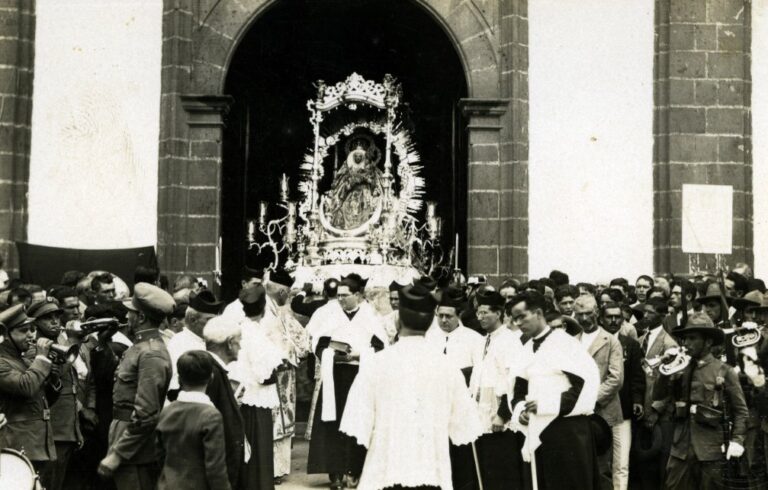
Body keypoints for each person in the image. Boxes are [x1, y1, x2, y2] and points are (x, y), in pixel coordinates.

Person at [339, 284, 483, 490]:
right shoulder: (448, 367)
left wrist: (353, 469)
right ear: (430, 322)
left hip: (385, 473)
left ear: (398, 320)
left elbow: (358, 426)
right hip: (431, 473)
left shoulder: (376, 364)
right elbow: (463, 432)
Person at [506, 291, 601, 490]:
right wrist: (522, 410)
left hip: (567, 433)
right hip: (539, 433)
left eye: (522, 317)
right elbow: (517, 389)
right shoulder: (525, 349)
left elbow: (586, 385)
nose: (518, 323)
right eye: (515, 319)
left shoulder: (566, 344)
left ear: (538, 313)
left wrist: (547, 405)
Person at [306, 273, 389, 489]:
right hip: (336, 377)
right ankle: (335, 471)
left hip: (360, 375)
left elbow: (381, 347)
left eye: (345, 295)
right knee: (333, 423)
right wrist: (331, 353)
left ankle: (355, 469)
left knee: (357, 421)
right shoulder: (332, 316)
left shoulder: (370, 316)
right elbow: (319, 344)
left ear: (358, 295)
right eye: (339, 295)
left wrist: (358, 355)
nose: (340, 299)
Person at [651, 312, 749, 489]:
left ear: (708, 342)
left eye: (692, 338)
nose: (686, 343)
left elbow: (741, 411)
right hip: (681, 447)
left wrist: (737, 440)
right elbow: (657, 396)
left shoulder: (724, 371)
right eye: (685, 338)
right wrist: (664, 371)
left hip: (711, 449)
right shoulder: (680, 367)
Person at [97, 283, 175, 489]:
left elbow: (146, 414)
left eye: (131, 313)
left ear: (141, 318)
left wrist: (118, 454)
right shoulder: (140, 348)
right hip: (127, 442)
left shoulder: (150, 353)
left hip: (136, 451)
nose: (126, 317)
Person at [424, 285, 483, 490]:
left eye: (449, 316)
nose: (444, 320)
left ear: (459, 315)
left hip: (461, 402)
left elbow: (478, 373)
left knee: (460, 451)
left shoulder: (474, 339)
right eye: (440, 316)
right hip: (433, 402)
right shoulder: (428, 338)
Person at [468, 290, 524, 490]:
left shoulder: (509, 341)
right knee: (485, 471)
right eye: (478, 313)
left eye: (484, 313)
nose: (480, 317)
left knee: (502, 472)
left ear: (498, 313)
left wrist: (502, 414)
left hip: (500, 417)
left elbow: (513, 380)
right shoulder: (483, 340)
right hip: (482, 415)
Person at [0, 304, 61, 487]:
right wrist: (41, 360)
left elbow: (42, 402)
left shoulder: (25, 360)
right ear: (5, 336)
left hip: (40, 445)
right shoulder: (2, 363)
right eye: (23, 330)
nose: (31, 335)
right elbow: (25, 387)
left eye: (32, 330)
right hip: (18, 447)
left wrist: (53, 380)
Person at [156, 350, 231, 490]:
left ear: (179, 379)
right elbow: (215, 468)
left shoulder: (167, 411)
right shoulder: (211, 416)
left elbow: (159, 455)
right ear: (211, 377)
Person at [29, 298, 84, 490]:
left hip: (65, 429)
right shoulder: (36, 350)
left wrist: (75, 429)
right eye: (47, 318)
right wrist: (72, 342)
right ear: (35, 322)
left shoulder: (59, 343)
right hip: (52, 431)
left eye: (56, 317)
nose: (55, 322)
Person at [262, 269, 309, 483]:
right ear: (281, 291)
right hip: (272, 373)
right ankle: (271, 469)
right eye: (288, 294)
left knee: (280, 423)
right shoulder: (265, 309)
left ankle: (277, 469)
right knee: (272, 422)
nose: (288, 297)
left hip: (283, 374)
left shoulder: (277, 309)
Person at [236, 283, 285, 490]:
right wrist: (277, 370)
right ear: (264, 307)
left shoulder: (240, 328)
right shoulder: (256, 335)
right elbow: (263, 375)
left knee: (250, 453)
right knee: (258, 453)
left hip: (245, 396)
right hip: (255, 400)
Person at [573, 295, 624, 486]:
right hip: (578, 412)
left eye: (588, 313)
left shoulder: (610, 341)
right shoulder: (573, 341)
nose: (585, 319)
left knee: (603, 467)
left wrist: (591, 400)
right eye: (580, 314)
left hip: (603, 413)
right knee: (582, 466)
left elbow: (616, 378)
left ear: (596, 312)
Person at [601, 301, 646, 490]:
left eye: (617, 316)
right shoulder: (595, 342)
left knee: (621, 460)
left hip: (623, 409)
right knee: (602, 460)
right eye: (609, 316)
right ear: (601, 319)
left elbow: (637, 376)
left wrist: (637, 401)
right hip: (600, 408)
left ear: (622, 319)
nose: (613, 320)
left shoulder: (631, 345)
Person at [635, 297, 679, 489]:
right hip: (642, 407)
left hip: (659, 412)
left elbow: (670, 380)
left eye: (650, 312)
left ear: (661, 315)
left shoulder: (669, 344)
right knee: (645, 460)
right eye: (645, 311)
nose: (645, 315)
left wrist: (656, 409)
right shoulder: (642, 338)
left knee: (660, 459)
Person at [204, 315, 246, 490]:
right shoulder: (212, 372)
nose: (240, 346)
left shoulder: (213, 369)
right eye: (238, 341)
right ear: (229, 343)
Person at [166, 289, 223, 397]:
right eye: (209, 320)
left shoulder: (207, 341)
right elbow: (174, 390)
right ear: (192, 320)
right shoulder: (178, 343)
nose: (214, 324)